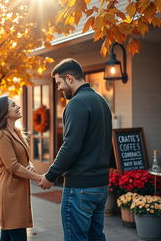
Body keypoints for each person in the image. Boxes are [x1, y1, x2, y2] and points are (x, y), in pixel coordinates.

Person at [38, 58, 112, 241]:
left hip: (81, 188)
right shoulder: (101, 101)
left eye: (59, 83)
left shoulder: (77, 103)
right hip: (100, 185)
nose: (58, 89)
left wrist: (50, 175)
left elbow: (70, 146)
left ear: (69, 78)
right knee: (96, 237)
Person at [0, 96, 41, 241]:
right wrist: (40, 178)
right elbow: (13, 166)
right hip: (9, 193)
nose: (18, 106)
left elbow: (23, 159)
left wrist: (30, 166)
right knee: (17, 235)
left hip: (16, 191)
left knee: (8, 236)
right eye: (13, 105)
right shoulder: (1, 135)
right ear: (4, 112)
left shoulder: (16, 132)